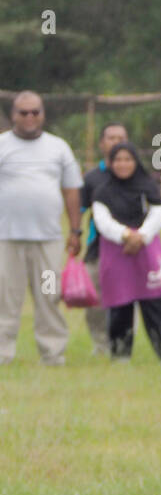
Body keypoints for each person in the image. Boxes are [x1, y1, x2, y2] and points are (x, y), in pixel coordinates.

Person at [0, 91, 83, 366]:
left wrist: (75, 230)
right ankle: (3, 354)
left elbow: (71, 191)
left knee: (49, 295)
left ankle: (52, 353)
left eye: (35, 111)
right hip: (7, 240)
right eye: (23, 112)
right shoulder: (2, 145)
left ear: (43, 114)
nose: (30, 117)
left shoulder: (58, 147)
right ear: (14, 115)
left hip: (47, 241)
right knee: (6, 298)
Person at [90, 141, 161, 361]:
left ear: (136, 162)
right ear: (110, 163)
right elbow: (102, 220)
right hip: (116, 253)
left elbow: (158, 211)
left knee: (157, 303)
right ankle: (120, 355)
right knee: (120, 304)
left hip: (147, 251)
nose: (123, 164)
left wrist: (142, 236)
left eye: (127, 159)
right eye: (118, 160)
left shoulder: (147, 185)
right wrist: (126, 235)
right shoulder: (103, 191)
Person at [80, 121, 130, 355]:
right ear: (102, 144)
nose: (116, 142)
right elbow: (78, 209)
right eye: (111, 137)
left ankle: (122, 343)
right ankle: (101, 345)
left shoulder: (135, 173)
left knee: (125, 299)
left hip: (129, 248)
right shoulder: (91, 177)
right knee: (94, 300)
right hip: (97, 247)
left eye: (121, 137)